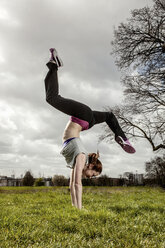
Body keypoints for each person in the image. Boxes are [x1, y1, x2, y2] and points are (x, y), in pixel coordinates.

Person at [44, 48, 135, 209]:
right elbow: (78, 184)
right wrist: (80, 210)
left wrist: (76, 208)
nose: (92, 177)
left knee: (109, 116)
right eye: (94, 174)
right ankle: (54, 65)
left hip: (86, 120)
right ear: (91, 166)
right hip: (84, 116)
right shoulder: (81, 156)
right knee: (52, 98)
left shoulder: (80, 157)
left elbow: (72, 184)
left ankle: (121, 137)